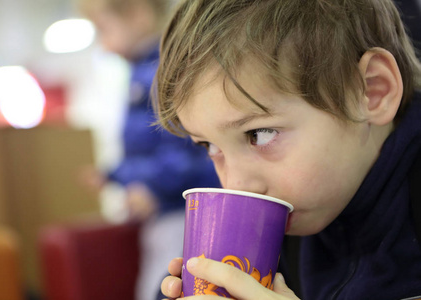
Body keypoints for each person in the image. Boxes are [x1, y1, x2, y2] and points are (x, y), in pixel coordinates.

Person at [153, 0, 421, 299]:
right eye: (210, 145)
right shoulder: (275, 223)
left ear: (372, 91)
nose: (237, 184)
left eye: (260, 134)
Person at [77, 0, 220, 299]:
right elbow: (144, 149)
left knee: (165, 286)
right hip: (162, 212)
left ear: (138, 14)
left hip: (180, 211)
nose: (104, 46)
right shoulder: (140, 73)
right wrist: (114, 174)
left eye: (104, 30)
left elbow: (183, 149)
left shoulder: (161, 73)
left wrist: (153, 187)